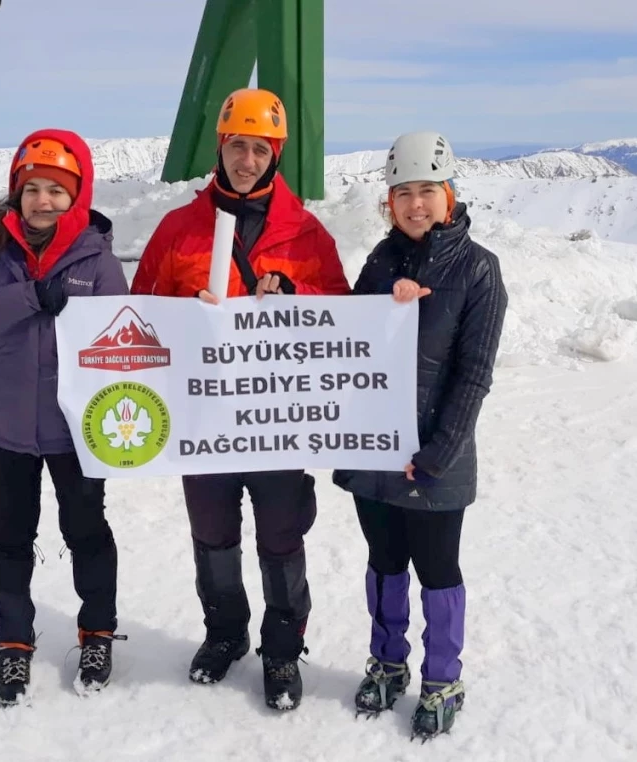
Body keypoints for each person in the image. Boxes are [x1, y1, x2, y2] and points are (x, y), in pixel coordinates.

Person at [131, 88, 351, 710]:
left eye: (259, 148)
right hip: (203, 419)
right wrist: (185, 318)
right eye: (236, 146)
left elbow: (342, 314)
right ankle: (225, 632)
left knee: (282, 534)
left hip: (277, 420)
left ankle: (282, 648)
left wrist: (295, 299)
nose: (246, 160)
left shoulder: (305, 233)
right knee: (213, 530)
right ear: (220, 147)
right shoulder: (180, 229)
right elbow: (141, 310)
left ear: (275, 153)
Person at [0, 129, 130, 706]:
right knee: (10, 539)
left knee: (86, 532)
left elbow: (125, 346)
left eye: (57, 190)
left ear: (78, 196)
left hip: (78, 431)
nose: (44, 201)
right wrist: (28, 295)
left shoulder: (97, 262)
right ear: (16, 196)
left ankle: (97, 631)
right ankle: (14, 643)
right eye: (33, 189)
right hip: (5, 430)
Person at [333, 131, 508, 739]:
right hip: (375, 456)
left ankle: (442, 677)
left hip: (435, 458)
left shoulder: (481, 270)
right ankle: (387, 662)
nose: (414, 204)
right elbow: (346, 345)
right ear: (389, 201)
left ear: (449, 194)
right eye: (402, 192)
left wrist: (439, 452)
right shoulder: (379, 262)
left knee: (437, 568)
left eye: (426, 191)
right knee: (384, 562)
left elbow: (473, 374)